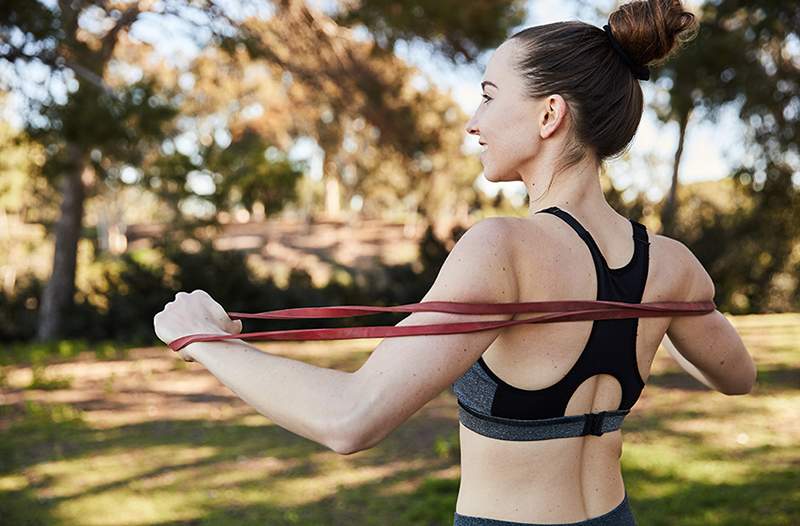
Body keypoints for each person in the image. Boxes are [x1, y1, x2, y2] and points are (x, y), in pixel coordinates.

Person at [154, 1, 756, 524]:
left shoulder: (503, 249)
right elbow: (738, 378)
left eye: (490, 97)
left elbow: (351, 419)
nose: (474, 122)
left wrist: (204, 341)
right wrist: (650, 311)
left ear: (550, 115)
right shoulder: (671, 265)